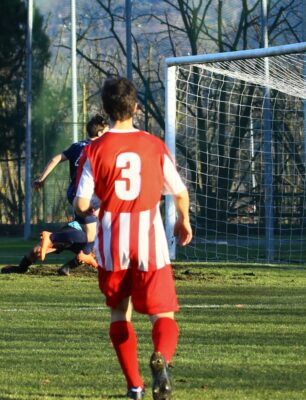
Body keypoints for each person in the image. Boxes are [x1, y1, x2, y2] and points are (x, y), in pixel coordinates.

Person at [74, 77, 192, 400]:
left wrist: (94, 210)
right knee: (163, 315)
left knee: (118, 313)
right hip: (150, 240)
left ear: (105, 109)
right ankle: (161, 358)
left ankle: (135, 386)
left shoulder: (94, 150)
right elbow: (179, 193)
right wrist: (184, 221)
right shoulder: (154, 145)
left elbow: (81, 203)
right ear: (136, 108)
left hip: (112, 242)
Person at [34, 114, 109, 271]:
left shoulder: (77, 146)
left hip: (73, 194)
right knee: (98, 230)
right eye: (107, 132)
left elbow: (55, 159)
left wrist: (42, 179)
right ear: (101, 134)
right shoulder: (99, 148)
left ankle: (70, 264)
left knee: (92, 233)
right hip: (88, 195)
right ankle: (54, 239)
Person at [1, 220, 91, 275]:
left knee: (89, 254)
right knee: (38, 251)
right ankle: (21, 268)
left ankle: (66, 268)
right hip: (76, 231)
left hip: (83, 238)